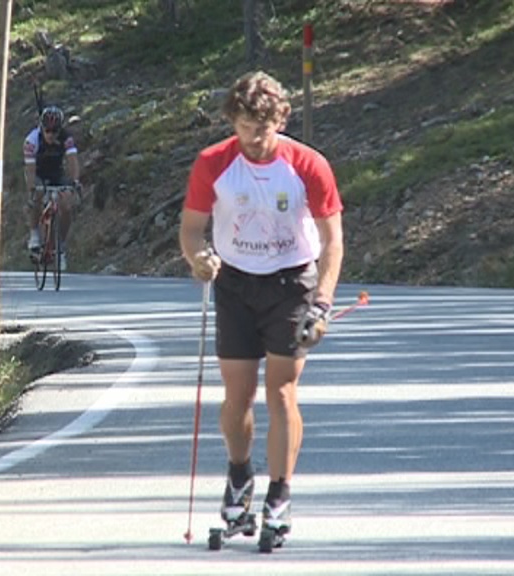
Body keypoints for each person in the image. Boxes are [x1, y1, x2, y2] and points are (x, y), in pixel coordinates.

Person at [178, 71, 344, 552]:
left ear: (281, 120)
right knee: (237, 394)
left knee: (283, 392)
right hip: (234, 283)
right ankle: (238, 477)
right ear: (232, 120)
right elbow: (192, 229)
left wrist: (323, 305)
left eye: (263, 127)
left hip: (292, 284)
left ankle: (279, 495)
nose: (253, 137)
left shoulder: (308, 165)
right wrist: (198, 258)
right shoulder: (213, 163)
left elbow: (332, 241)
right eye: (245, 125)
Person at [23, 105, 81, 271]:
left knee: (67, 205)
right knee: (37, 196)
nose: (51, 134)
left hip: (56, 173)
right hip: (38, 172)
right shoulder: (32, 140)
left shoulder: (66, 138)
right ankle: (34, 234)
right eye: (47, 130)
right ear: (42, 128)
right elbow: (30, 171)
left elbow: (72, 161)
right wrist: (32, 188)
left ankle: (60, 247)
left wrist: (75, 181)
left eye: (54, 131)